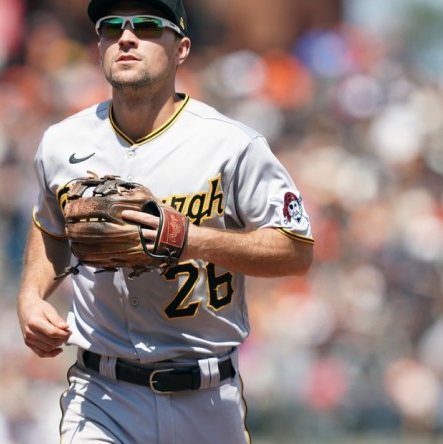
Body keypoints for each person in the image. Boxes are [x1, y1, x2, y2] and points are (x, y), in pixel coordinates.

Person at [16, 0, 314, 442]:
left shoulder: (231, 145)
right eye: (111, 25)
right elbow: (52, 226)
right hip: (102, 395)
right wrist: (31, 295)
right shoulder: (63, 143)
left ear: (182, 49)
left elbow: (295, 251)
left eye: (149, 26)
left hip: (207, 397)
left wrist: (191, 239)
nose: (127, 37)